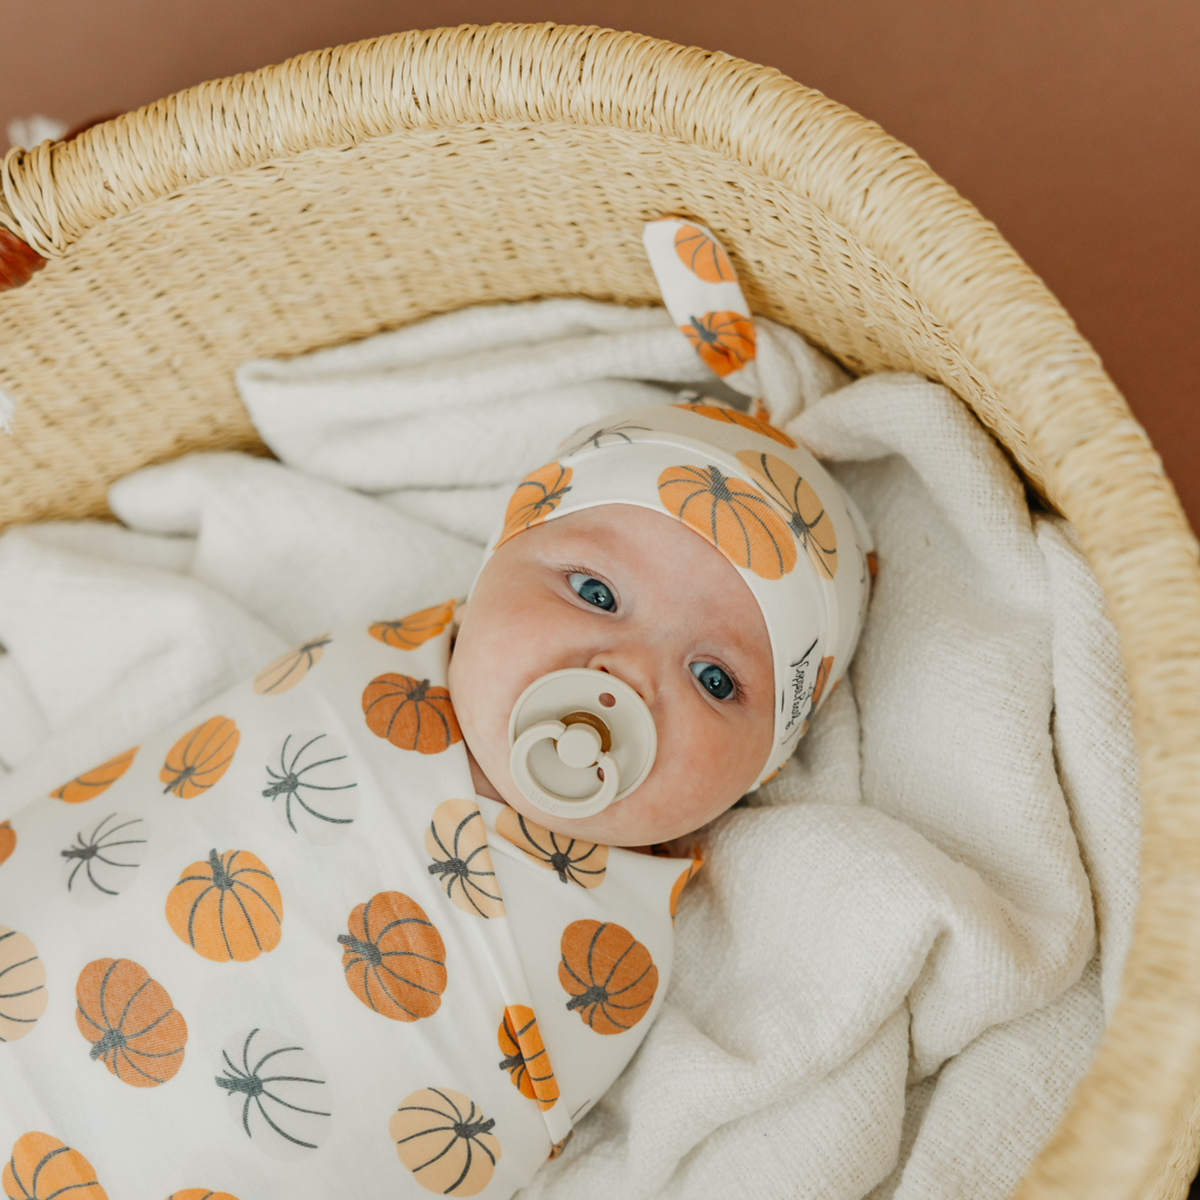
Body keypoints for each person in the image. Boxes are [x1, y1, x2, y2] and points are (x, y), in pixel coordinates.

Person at [0, 226, 872, 1199]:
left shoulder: (612, 963)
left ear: (761, 769)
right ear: (495, 565)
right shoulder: (372, 663)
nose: (625, 670)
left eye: (717, 679)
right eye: (592, 590)